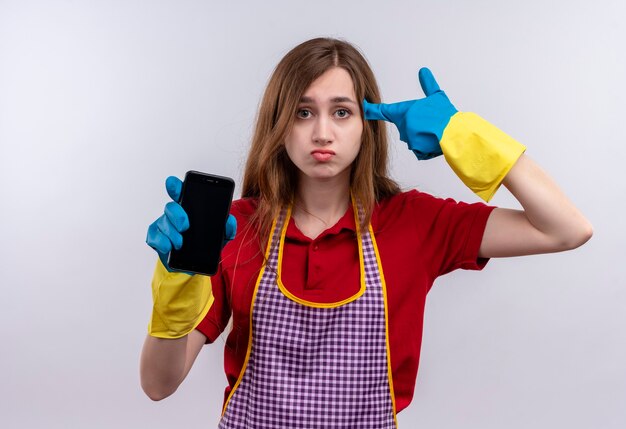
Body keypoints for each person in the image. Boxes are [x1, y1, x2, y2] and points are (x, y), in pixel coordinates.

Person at [141, 38, 592, 428]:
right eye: (303, 112)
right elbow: (159, 385)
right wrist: (176, 282)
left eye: (342, 112)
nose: (322, 132)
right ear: (279, 127)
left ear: (367, 126)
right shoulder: (234, 229)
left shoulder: (415, 222)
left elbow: (566, 229)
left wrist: (463, 135)